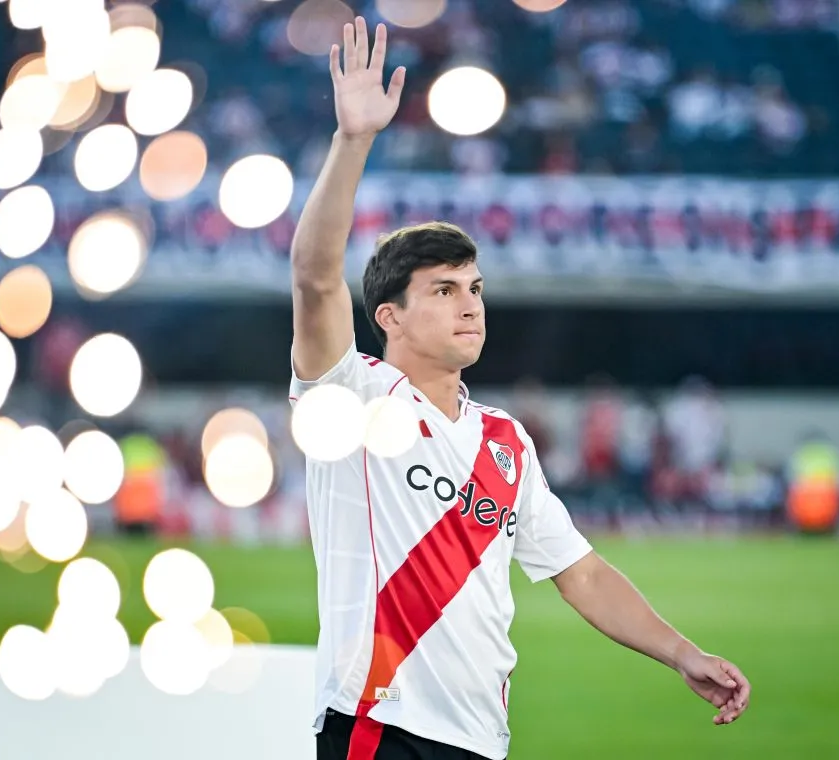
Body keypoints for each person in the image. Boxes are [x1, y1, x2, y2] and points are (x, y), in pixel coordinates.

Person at [289, 18, 751, 760]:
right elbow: (314, 277)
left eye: (474, 287)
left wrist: (681, 652)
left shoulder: (504, 441)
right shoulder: (351, 397)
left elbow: (583, 572)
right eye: (442, 290)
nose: (470, 303)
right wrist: (353, 141)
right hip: (380, 729)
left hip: (481, 740)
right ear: (389, 317)